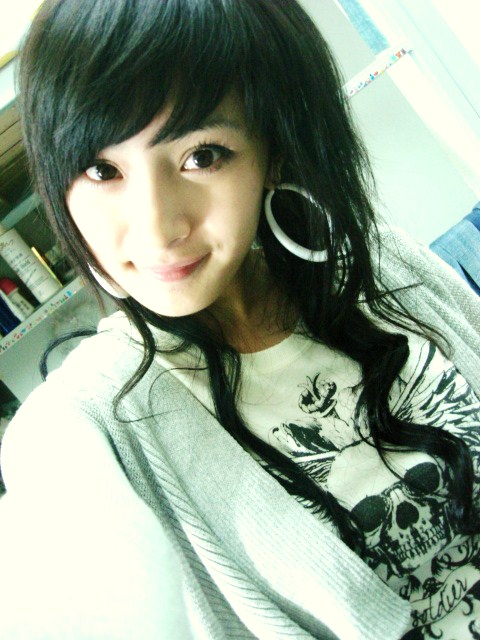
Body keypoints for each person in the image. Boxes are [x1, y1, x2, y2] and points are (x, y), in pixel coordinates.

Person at [0, 0, 479, 638]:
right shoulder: (84, 423)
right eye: (101, 170)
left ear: (271, 151)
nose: (158, 227)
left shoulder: (380, 263)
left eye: (202, 156)